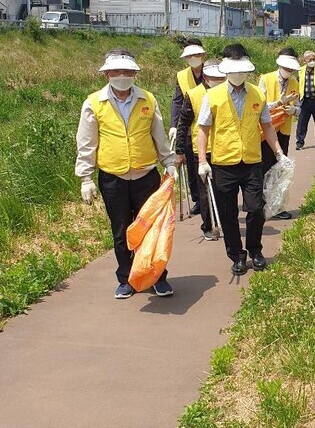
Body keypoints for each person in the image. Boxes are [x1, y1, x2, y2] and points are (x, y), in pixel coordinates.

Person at [75, 49, 178, 298]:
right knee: (121, 231)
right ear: (107, 74)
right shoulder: (94, 103)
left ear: (135, 74)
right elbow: (87, 142)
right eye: (117, 71)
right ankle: (127, 278)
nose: (122, 75)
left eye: (127, 71)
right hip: (113, 178)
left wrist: (169, 162)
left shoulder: (148, 100)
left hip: (146, 175)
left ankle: (157, 277)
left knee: (151, 229)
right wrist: (86, 177)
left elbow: (159, 135)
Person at [196, 44, 288, 275]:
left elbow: (266, 126)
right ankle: (237, 255)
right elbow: (203, 130)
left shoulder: (258, 94)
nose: (238, 75)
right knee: (228, 214)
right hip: (223, 163)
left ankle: (255, 250)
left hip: (251, 162)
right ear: (226, 70)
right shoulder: (213, 95)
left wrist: (279, 153)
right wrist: (201, 161)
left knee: (257, 208)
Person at [174, 58, 224, 239]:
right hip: (202, 150)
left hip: (225, 149)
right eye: (213, 77)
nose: (217, 81)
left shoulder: (228, 92)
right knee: (205, 192)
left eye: (221, 77)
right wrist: (180, 151)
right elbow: (183, 123)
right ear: (205, 76)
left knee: (223, 190)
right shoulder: (194, 94)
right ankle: (208, 226)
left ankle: (223, 221)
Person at [259, 48, 300, 220]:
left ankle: (278, 206)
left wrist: (294, 110)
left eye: (291, 70)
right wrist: (278, 103)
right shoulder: (265, 79)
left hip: (284, 131)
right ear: (280, 65)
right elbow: (260, 107)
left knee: (280, 169)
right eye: (287, 68)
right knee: (263, 167)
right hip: (266, 132)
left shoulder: (295, 83)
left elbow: (299, 109)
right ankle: (260, 206)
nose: (288, 72)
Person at [169, 42, 206, 215]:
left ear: (202, 56)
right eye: (189, 56)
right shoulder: (182, 76)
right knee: (191, 165)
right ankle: (198, 200)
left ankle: (214, 198)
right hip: (190, 125)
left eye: (196, 55)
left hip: (210, 125)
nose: (193, 59)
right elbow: (177, 101)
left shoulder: (213, 71)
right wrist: (173, 125)